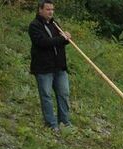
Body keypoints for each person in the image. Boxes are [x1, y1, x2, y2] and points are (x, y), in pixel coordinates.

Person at [29, 0, 72, 130]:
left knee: (64, 94)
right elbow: (43, 43)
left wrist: (67, 38)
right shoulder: (34, 26)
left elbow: (60, 42)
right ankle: (51, 124)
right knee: (46, 96)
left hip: (59, 67)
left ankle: (65, 122)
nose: (51, 12)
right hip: (43, 68)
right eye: (48, 9)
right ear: (40, 10)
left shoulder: (54, 24)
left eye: (52, 9)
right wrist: (62, 39)